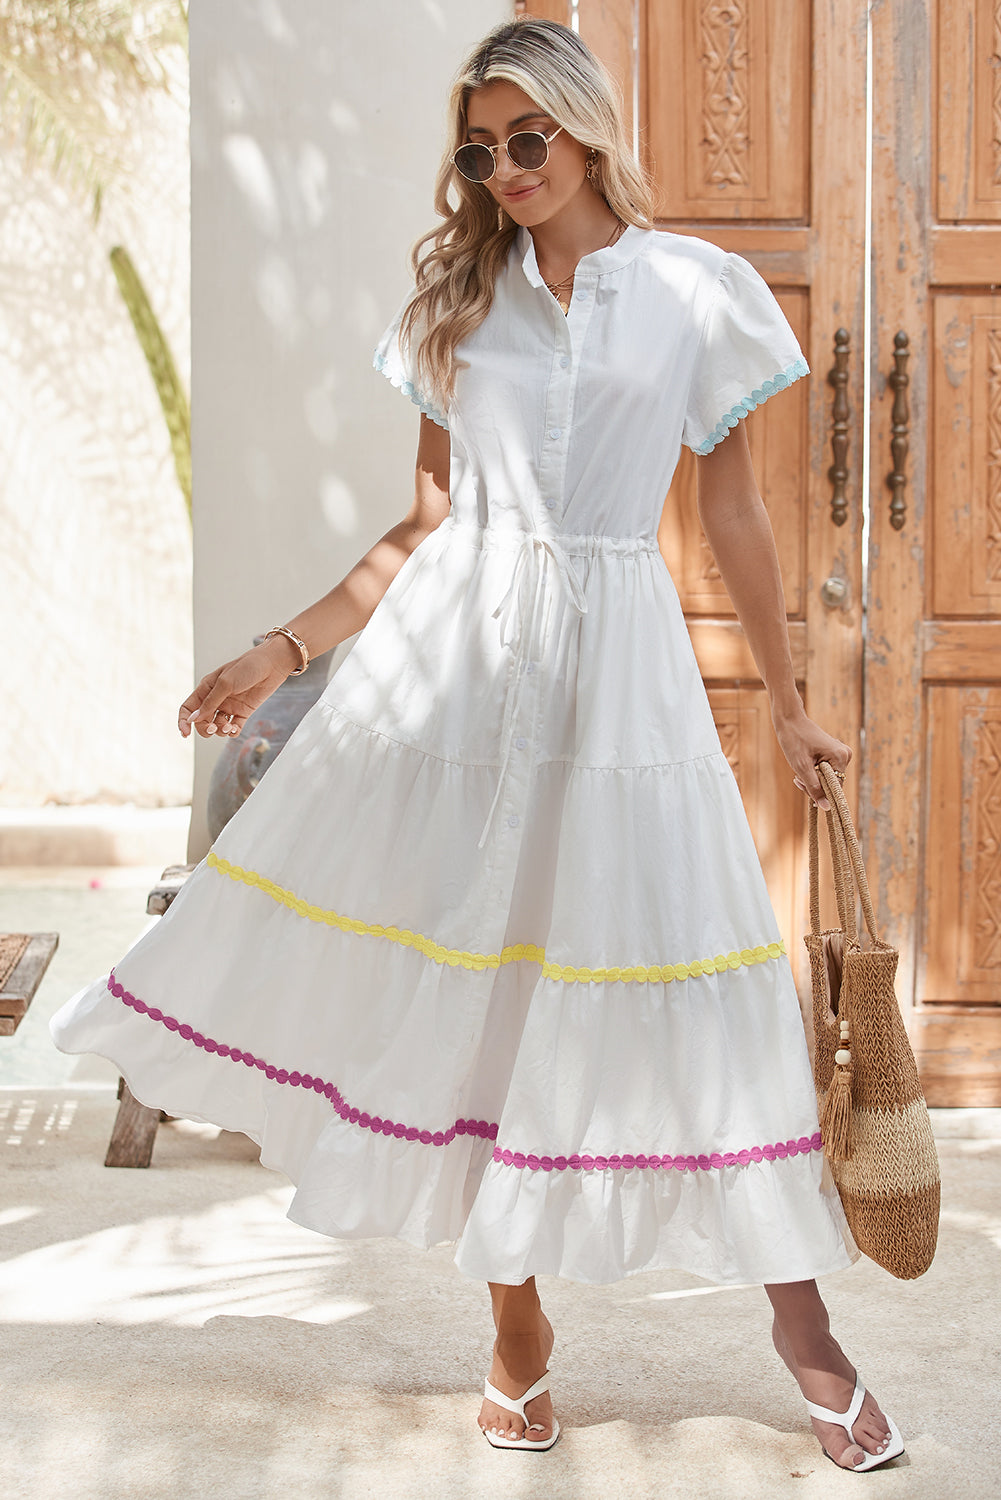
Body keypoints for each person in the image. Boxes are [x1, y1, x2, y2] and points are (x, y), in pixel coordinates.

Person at [52, 17, 904, 1470]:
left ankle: (803, 1332)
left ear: (586, 134)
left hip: (621, 679)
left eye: (528, 140)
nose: (503, 168)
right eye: (479, 147)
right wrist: (281, 648)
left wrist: (786, 695)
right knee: (468, 995)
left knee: (689, 989)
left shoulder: (695, 292)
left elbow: (734, 515)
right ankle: (513, 1329)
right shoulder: (459, 302)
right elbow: (426, 527)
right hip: (458, 679)